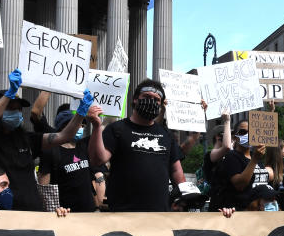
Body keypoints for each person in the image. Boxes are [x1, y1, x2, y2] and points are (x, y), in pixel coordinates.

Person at [0, 69, 94, 211]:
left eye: (18, 109)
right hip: (3, 212)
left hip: (33, 212)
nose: (16, 112)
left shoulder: (27, 139)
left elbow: (64, 136)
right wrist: (9, 94)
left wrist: (81, 113)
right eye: (10, 108)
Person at [88, 79, 184, 212]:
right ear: (135, 99)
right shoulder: (117, 129)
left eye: (156, 100)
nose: (151, 102)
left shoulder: (166, 134)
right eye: (146, 97)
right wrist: (97, 127)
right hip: (123, 212)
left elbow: (176, 170)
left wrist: (184, 197)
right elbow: (97, 159)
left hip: (159, 214)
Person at [38, 110, 100, 212]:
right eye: (78, 124)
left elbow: (89, 182)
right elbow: (43, 191)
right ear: (65, 127)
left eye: (82, 125)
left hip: (89, 214)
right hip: (66, 216)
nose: (81, 127)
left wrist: (97, 207)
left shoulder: (83, 147)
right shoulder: (51, 152)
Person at [0, 158, 68, 217]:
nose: (8, 190)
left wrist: (56, 219)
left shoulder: (18, 217)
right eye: (3, 185)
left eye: (8, 185)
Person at [209, 119, 269, 211]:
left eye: (251, 132)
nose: (247, 135)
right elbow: (240, 185)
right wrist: (254, 160)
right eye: (243, 132)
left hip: (258, 211)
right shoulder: (232, 157)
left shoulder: (256, 155)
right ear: (235, 137)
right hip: (240, 212)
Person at [199, 110, 232, 194]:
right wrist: (227, 121)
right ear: (218, 137)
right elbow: (226, 147)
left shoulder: (229, 153)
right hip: (217, 197)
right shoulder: (210, 155)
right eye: (228, 135)